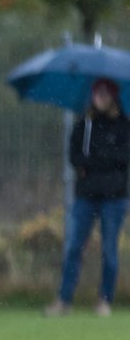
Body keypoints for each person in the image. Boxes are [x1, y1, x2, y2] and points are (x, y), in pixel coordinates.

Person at [46, 77, 130, 317]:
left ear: (113, 97)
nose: (99, 98)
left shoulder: (124, 125)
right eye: (96, 93)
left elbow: (121, 159)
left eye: (104, 94)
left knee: (109, 250)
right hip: (85, 196)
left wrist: (95, 162)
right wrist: (98, 161)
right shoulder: (85, 124)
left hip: (114, 198)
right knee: (73, 247)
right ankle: (64, 301)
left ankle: (104, 301)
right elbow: (75, 157)